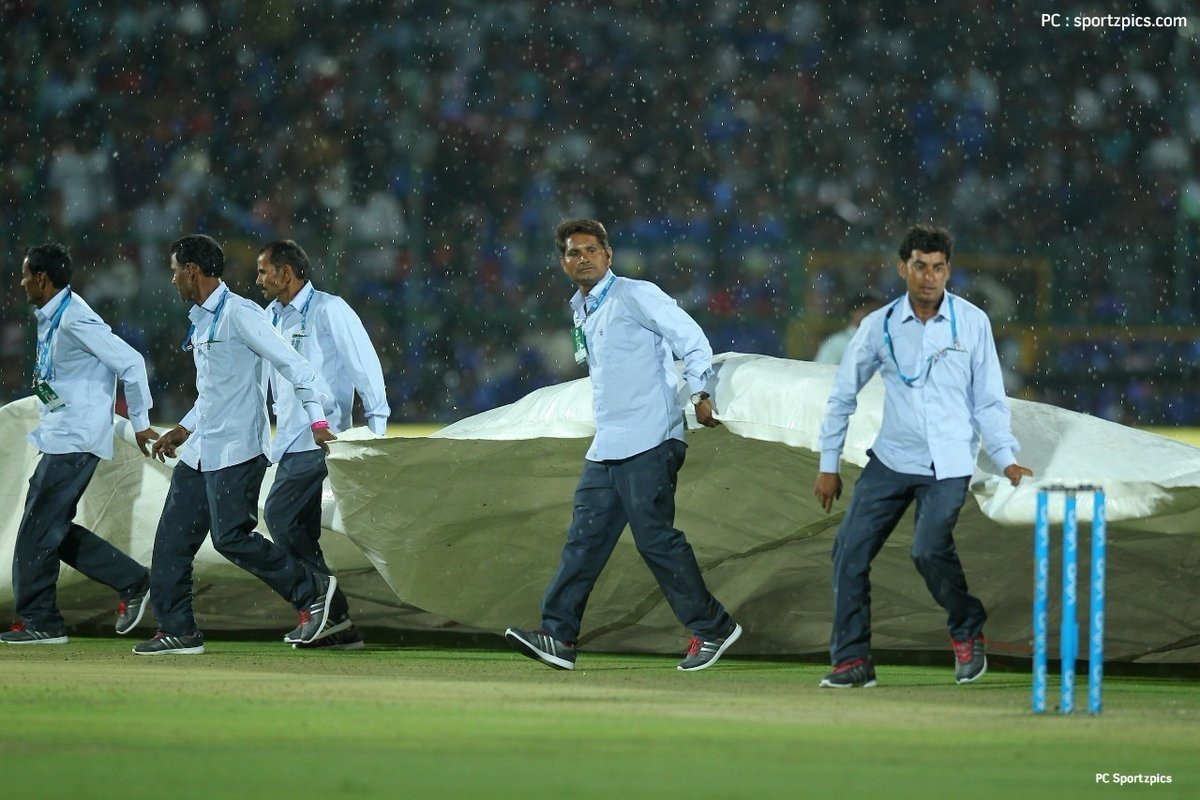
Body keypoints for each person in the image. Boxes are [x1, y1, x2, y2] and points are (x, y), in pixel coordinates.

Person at [505, 218, 741, 672]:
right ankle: (558, 636)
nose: (584, 258)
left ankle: (713, 627)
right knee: (584, 541)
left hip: (649, 437)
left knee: (655, 541)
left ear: (608, 255)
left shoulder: (635, 294)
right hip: (608, 444)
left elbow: (692, 340)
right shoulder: (582, 309)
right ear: (563, 263)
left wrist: (700, 391)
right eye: (574, 252)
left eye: (592, 250)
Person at [813, 224, 1033, 688]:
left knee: (928, 551)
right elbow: (841, 396)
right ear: (903, 269)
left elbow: (989, 400)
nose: (928, 276)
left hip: (948, 463)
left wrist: (1006, 457)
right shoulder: (879, 326)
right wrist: (828, 465)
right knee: (848, 551)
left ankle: (966, 626)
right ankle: (853, 661)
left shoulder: (972, 322)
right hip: (892, 459)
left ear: (948, 271)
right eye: (919, 266)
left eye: (937, 267)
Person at [132, 234, 341, 655]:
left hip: (238, 449)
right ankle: (178, 631)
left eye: (175, 272)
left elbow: (298, 368)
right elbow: (213, 392)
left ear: (192, 271)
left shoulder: (241, 314)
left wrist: (318, 421)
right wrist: (184, 429)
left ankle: (312, 590)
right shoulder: (202, 320)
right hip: (202, 450)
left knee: (231, 538)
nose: (172, 280)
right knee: (171, 542)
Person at [2, 244, 158, 645]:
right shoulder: (54, 316)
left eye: (25, 275)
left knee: (36, 529)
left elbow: (131, 362)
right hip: (62, 434)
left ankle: (42, 621)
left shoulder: (74, 317)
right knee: (49, 527)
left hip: (75, 438)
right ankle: (133, 581)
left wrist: (141, 423)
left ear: (41, 278)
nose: (21, 282)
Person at [255, 239, 391, 650]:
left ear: (286, 273)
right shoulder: (268, 317)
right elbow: (266, 384)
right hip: (288, 442)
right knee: (298, 527)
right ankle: (335, 622)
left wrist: (376, 432)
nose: (258, 280)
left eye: (263, 271)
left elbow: (364, 366)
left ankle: (321, 600)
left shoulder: (330, 309)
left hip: (322, 438)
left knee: (279, 515)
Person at [813, 290, 884, 365]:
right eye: (869, 310)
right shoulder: (837, 343)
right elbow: (821, 370)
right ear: (853, 312)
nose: (873, 315)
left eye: (878, 312)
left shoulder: (885, 343)